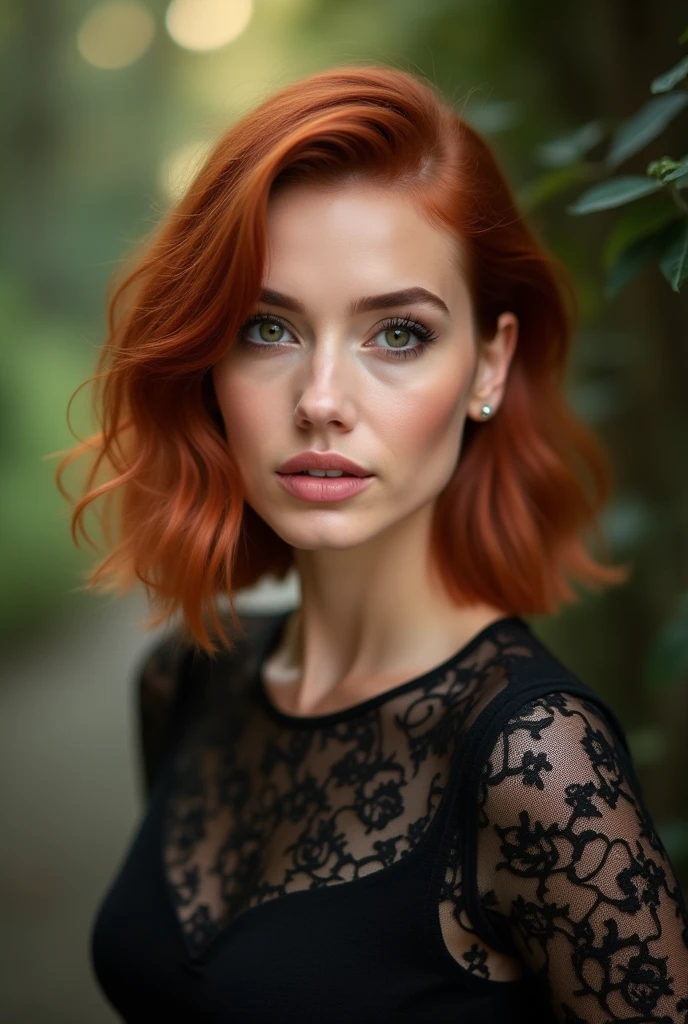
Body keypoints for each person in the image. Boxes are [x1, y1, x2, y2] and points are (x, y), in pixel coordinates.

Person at [55, 64, 688, 1023]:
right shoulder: (184, 680)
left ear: (490, 362)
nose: (319, 400)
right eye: (268, 327)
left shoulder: (537, 763)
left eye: (397, 333)